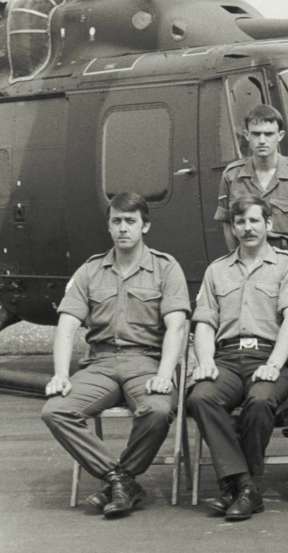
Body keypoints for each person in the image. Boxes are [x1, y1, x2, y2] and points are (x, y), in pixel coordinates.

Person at [41, 192, 190, 518]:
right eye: (117, 221)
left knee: (159, 409)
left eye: (130, 221)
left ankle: (119, 480)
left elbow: (177, 326)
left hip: (145, 361)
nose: (123, 228)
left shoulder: (166, 268)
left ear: (145, 226)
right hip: (101, 364)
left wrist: (165, 375)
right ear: (109, 226)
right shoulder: (90, 271)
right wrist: (61, 375)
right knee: (56, 411)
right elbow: (66, 325)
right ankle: (119, 478)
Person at [187, 195, 288, 521]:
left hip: (268, 357)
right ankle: (247, 486)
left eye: (255, 220)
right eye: (241, 222)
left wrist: (274, 364)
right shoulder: (217, 270)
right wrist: (205, 361)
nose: (248, 227)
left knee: (260, 401)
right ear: (233, 228)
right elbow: (204, 323)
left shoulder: (286, 264)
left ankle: (237, 486)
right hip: (225, 358)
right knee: (201, 396)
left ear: (268, 224)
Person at [216, 104, 288, 274]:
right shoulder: (232, 175)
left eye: (268, 134)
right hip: (248, 263)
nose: (262, 140)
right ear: (246, 135)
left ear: (280, 135)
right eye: (256, 134)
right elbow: (227, 224)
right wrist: (237, 261)